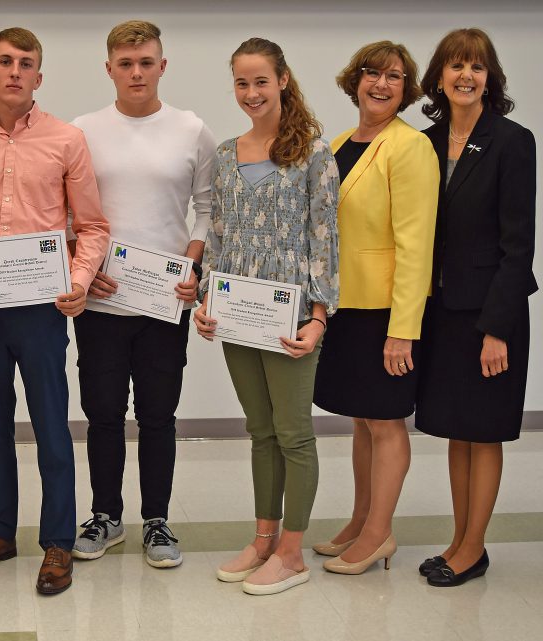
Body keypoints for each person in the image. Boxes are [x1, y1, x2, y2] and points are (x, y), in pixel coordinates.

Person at [0, 27, 109, 595]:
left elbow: (91, 226)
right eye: (4, 62)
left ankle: (58, 540)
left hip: (42, 309)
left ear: (40, 76)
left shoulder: (66, 139)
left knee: (51, 428)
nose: (15, 71)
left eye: (26, 63)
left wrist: (80, 281)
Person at [68, 20, 215, 569]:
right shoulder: (81, 130)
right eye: (125, 64)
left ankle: (157, 520)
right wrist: (85, 266)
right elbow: (65, 212)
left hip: (164, 302)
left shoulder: (191, 129)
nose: (136, 72)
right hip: (101, 298)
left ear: (162, 66)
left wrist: (193, 265)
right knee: (102, 413)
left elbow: (207, 207)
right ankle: (105, 515)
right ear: (109, 68)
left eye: (146, 62)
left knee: (158, 415)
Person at [194, 37, 338, 596]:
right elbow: (222, 236)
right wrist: (208, 301)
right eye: (241, 82)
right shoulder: (227, 154)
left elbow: (325, 237)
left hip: (292, 313)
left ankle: (293, 552)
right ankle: (263, 539)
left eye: (261, 81)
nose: (251, 93)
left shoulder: (314, 151)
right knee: (260, 433)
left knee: (294, 435)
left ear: (282, 80)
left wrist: (320, 316)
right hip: (237, 314)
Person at [414, 28, 536, 587]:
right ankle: (462, 541)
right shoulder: (425, 140)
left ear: (491, 78)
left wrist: (498, 330)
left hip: (490, 315)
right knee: (458, 432)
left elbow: (518, 246)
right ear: (439, 76)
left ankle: (474, 547)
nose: (466, 76)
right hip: (442, 311)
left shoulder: (513, 141)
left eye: (477, 67)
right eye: (456, 65)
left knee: (483, 432)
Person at [311, 41, 439, 576]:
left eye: (394, 77)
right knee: (364, 420)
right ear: (355, 79)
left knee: (386, 422)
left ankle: (380, 532)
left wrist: (403, 329)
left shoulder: (410, 148)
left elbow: (417, 244)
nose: (381, 84)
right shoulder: (341, 142)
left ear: (406, 89)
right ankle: (361, 519)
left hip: (386, 311)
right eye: (372, 73)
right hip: (345, 305)